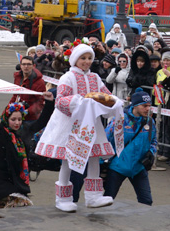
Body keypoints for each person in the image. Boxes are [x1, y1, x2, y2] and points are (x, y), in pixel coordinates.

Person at [35, 43, 123, 212]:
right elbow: (60, 101)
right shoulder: (68, 77)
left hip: (91, 125)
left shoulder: (95, 77)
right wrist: (81, 102)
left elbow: (106, 95)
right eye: (83, 58)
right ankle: (62, 198)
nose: (87, 61)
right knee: (68, 160)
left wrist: (115, 102)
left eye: (89, 58)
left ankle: (93, 196)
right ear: (75, 59)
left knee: (94, 157)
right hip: (71, 125)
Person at [0, 90, 55, 208]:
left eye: (19, 119)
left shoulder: (24, 130)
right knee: (20, 207)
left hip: (16, 182)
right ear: (7, 119)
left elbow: (43, 121)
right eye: (13, 119)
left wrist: (49, 102)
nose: (17, 123)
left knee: (15, 214)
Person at [103, 88, 154, 205]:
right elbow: (106, 140)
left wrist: (151, 152)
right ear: (135, 105)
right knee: (108, 199)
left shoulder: (150, 122)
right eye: (144, 106)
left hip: (139, 168)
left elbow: (153, 141)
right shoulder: (120, 120)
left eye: (149, 106)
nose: (147, 109)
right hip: (118, 167)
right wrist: (101, 163)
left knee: (146, 201)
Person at [12, 56, 46, 121]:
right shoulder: (18, 78)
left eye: (29, 64)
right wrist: (7, 110)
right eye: (24, 64)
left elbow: (40, 103)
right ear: (20, 66)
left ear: (34, 66)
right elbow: (15, 96)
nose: (26, 66)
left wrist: (27, 112)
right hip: (17, 116)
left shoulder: (39, 82)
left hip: (31, 119)